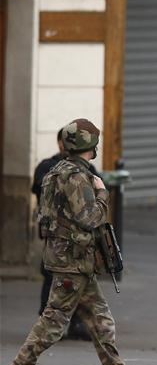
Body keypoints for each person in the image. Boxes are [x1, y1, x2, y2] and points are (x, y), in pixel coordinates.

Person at [2, 119, 152, 365]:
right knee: (53, 321)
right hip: (73, 262)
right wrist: (102, 193)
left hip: (72, 260)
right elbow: (90, 218)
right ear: (91, 146)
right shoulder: (77, 177)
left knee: (100, 320)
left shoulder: (56, 171)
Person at [32, 126, 98, 341]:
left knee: (81, 282)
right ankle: (48, 323)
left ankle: (81, 324)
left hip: (75, 241)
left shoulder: (82, 170)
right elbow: (39, 188)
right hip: (61, 239)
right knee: (53, 280)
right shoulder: (51, 168)